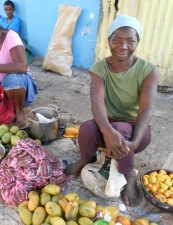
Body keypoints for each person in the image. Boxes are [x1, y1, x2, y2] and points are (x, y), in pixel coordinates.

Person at [64, 15, 159, 207]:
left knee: (122, 131)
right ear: (108, 41)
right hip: (109, 123)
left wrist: (133, 143)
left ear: (137, 42)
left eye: (130, 41)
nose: (122, 46)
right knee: (87, 130)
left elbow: (146, 109)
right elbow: (96, 101)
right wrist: (107, 131)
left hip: (136, 129)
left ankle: (128, 174)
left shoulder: (149, 70)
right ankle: (85, 160)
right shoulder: (100, 68)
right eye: (116, 40)